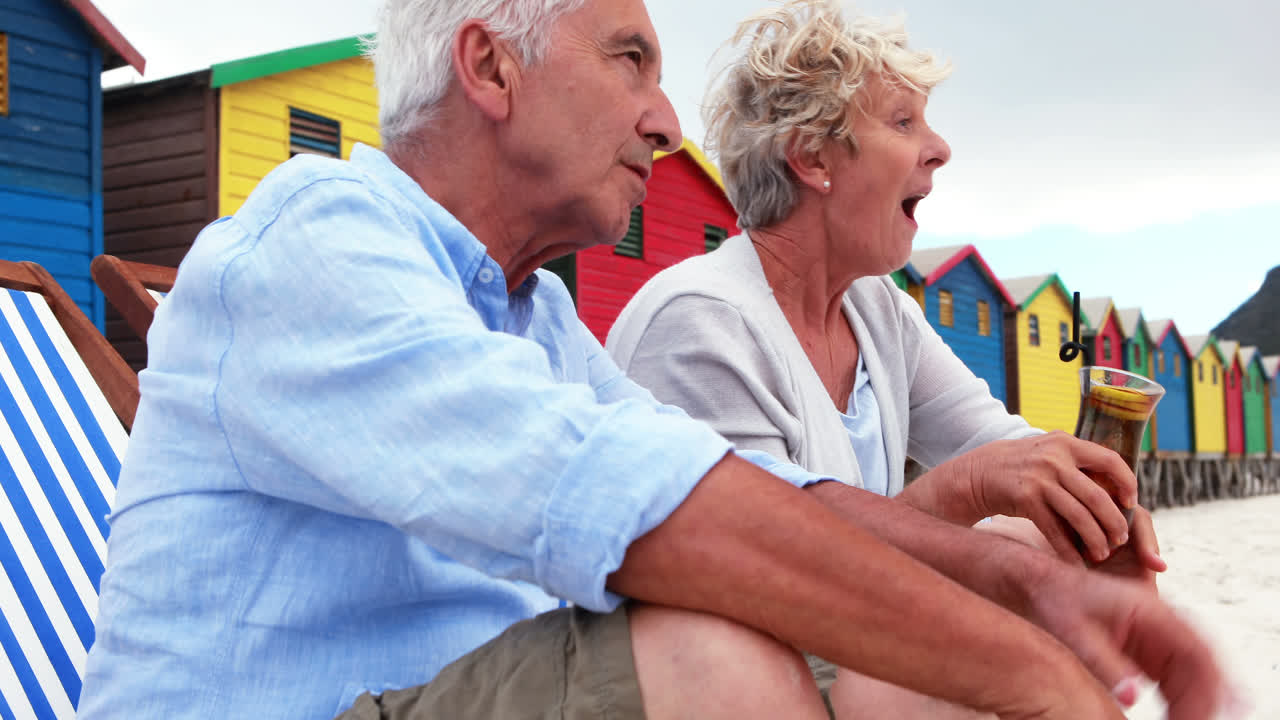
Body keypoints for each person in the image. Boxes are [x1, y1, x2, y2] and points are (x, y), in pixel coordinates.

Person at [76, 1, 1230, 719]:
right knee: (715, 654)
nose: (664, 118)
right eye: (629, 58)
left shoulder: (529, 316)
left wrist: (1024, 584)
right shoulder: (318, 239)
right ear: (489, 67)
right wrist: (1015, 667)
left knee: (898, 666)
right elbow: (645, 510)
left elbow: (765, 491)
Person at [605, 0, 1188, 716]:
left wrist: (1093, 508)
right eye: (903, 122)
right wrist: (964, 489)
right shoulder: (700, 323)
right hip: (739, 673)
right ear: (812, 156)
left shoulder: (877, 309)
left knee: (1038, 539)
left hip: (838, 647)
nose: (939, 148)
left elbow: (1006, 448)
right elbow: (767, 564)